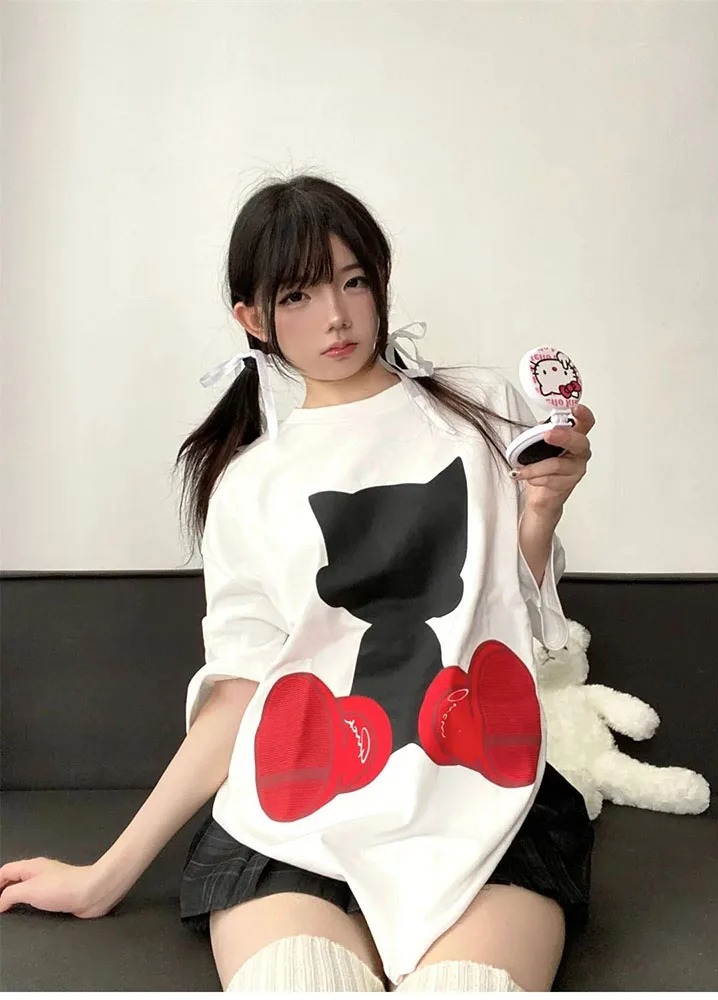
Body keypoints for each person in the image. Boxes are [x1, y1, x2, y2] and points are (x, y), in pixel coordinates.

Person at [0, 174, 595, 993]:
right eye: (298, 295)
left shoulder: (482, 413)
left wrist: (543, 509)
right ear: (253, 318)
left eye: (354, 282)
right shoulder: (250, 484)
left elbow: (510, 609)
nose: (337, 317)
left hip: (481, 798)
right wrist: (107, 874)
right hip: (298, 816)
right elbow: (241, 692)